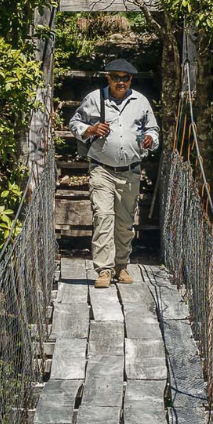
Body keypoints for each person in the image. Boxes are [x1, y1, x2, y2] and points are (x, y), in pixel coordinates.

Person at [69, 59, 159, 288]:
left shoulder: (140, 102)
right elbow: (74, 123)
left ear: (131, 79)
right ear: (108, 78)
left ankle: (121, 266)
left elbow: (153, 129)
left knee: (125, 223)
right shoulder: (94, 99)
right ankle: (104, 270)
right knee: (103, 217)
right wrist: (90, 129)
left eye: (125, 78)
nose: (121, 82)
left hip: (130, 172)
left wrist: (151, 139)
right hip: (102, 169)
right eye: (116, 77)